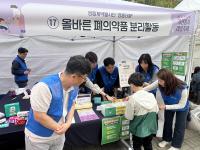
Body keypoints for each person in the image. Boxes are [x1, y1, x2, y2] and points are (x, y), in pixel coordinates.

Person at [25, 55, 91, 150]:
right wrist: (60, 128)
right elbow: (39, 116)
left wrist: (68, 123)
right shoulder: (44, 87)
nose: (84, 81)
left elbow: (72, 104)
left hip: (59, 135)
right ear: (74, 76)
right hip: (39, 137)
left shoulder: (75, 86)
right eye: (84, 78)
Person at [144, 69, 189, 150]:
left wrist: (165, 107)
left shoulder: (183, 89)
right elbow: (148, 88)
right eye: (158, 80)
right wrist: (138, 91)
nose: (159, 82)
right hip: (168, 105)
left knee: (179, 125)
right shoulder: (160, 82)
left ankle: (176, 145)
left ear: (168, 80)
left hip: (182, 108)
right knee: (167, 122)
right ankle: (167, 139)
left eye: (161, 81)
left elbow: (181, 105)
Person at [125, 72, 158, 150]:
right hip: (150, 129)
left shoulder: (132, 98)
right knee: (148, 145)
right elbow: (156, 111)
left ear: (132, 84)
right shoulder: (151, 95)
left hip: (138, 130)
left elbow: (129, 117)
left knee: (136, 146)